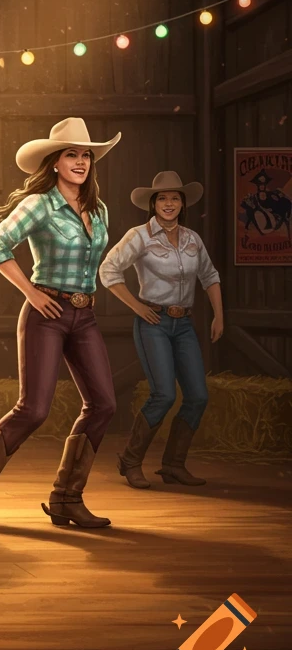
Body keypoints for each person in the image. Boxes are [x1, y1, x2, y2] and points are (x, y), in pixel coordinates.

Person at [0, 118, 121, 530]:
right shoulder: (39, 203)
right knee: (33, 410)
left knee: (104, 404)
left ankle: (67, 498)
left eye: (86, 155)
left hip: (85, 314)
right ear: (54, 162)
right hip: (46, 313)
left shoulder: (98, 209)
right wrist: (31, 291)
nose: (80, 162)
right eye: (71, 154)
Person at [99, 170, 222, 488]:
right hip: (153, 323)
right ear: (153, 204)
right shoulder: (138, 236)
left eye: (175, 198)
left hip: (184, 324)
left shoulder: (192, 238)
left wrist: (218, 315)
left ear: (183, 203)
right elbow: (108, 269)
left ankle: (173, 465)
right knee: (164, 394)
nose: (169, 203)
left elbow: (209, 275)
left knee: (197, 395)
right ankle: (130, 461)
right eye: (163, 198)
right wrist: (137, 307)